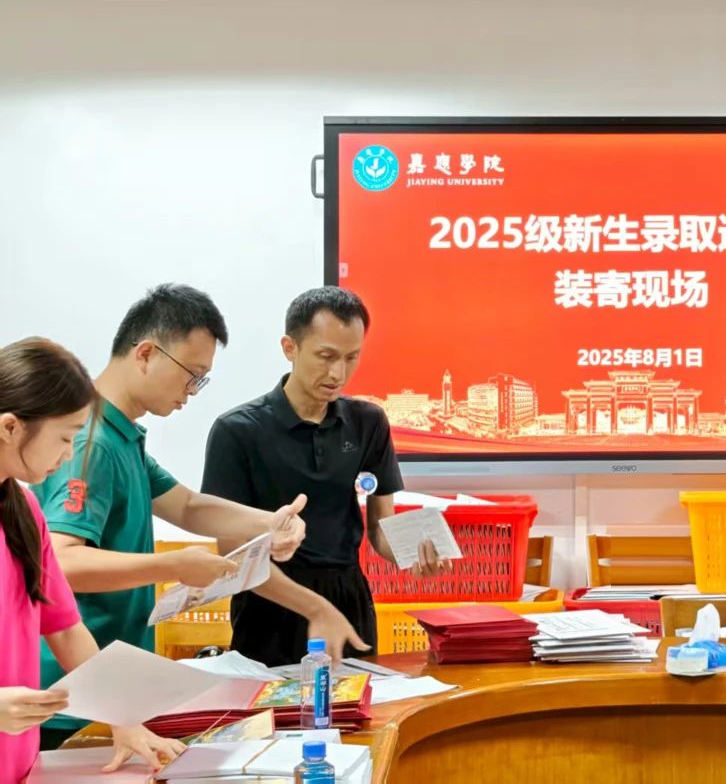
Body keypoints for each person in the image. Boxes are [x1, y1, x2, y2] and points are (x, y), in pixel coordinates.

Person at [32, 285, 308, 748]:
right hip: (71, 696)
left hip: (104, 687)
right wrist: (174, 565)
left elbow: (187, 505)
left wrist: (269, 522)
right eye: (192, 375)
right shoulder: (90, 442)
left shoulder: (121, 434)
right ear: (145, 353)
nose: (192, 391)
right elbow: (61, 562)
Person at [202, 287, 447, 668]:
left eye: (351, 357)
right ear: (290, 347)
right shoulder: (238, 431)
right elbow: (233, 552)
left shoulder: (368, 422)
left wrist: (414, 552)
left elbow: (380, 529)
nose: (338, 374)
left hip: (349, 600)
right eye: (326, 356)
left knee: (359, 702)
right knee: (274, 704)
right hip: (270, 602)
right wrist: (313, 607)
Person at [1, 337, 186, 778]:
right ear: (10, 427)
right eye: (66, 437)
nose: (70, 454)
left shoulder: (26, 512)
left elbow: (65, 628)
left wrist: (122, 718)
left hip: (20, 765)